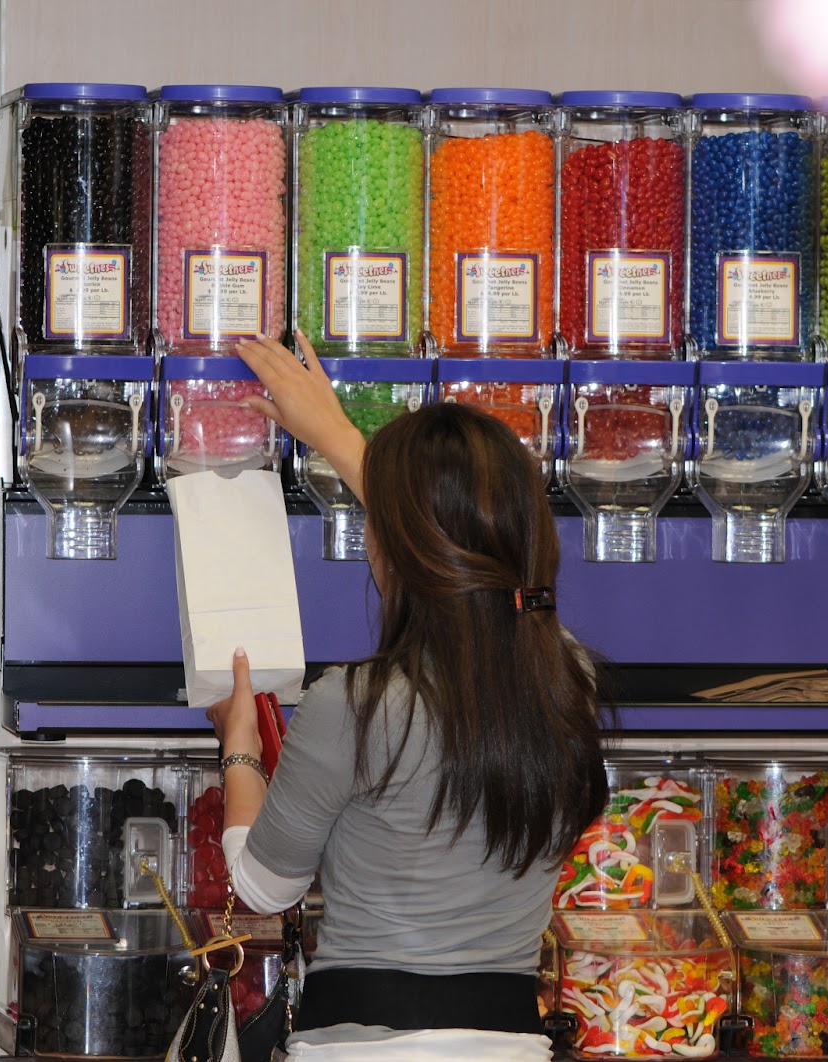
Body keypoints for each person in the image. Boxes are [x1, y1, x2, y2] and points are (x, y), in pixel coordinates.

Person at [207, 330, 606, 1062]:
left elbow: (263, 887)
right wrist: (335, 437)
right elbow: (474, 569)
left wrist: (240, 746)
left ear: (391, 547)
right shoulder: (566, 681)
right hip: (515, 1045)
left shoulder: (351, 704)